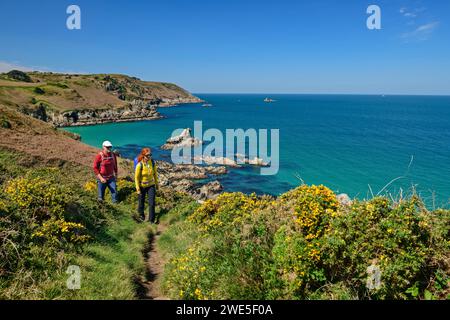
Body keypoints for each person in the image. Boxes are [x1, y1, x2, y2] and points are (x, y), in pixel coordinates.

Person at [135, 148, 158, 223]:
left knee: (152, 203)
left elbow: (155, 174)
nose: (149, 157)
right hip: (142, 186)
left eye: (150, 155)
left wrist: (157, 184)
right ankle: (141, 216)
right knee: (141, 202)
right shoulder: (139, 165)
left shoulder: (152, 162)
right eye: (148, 155)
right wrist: (138, 189)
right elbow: (136, 178)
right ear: (143, 156)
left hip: (151, 185)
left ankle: (151, 220)